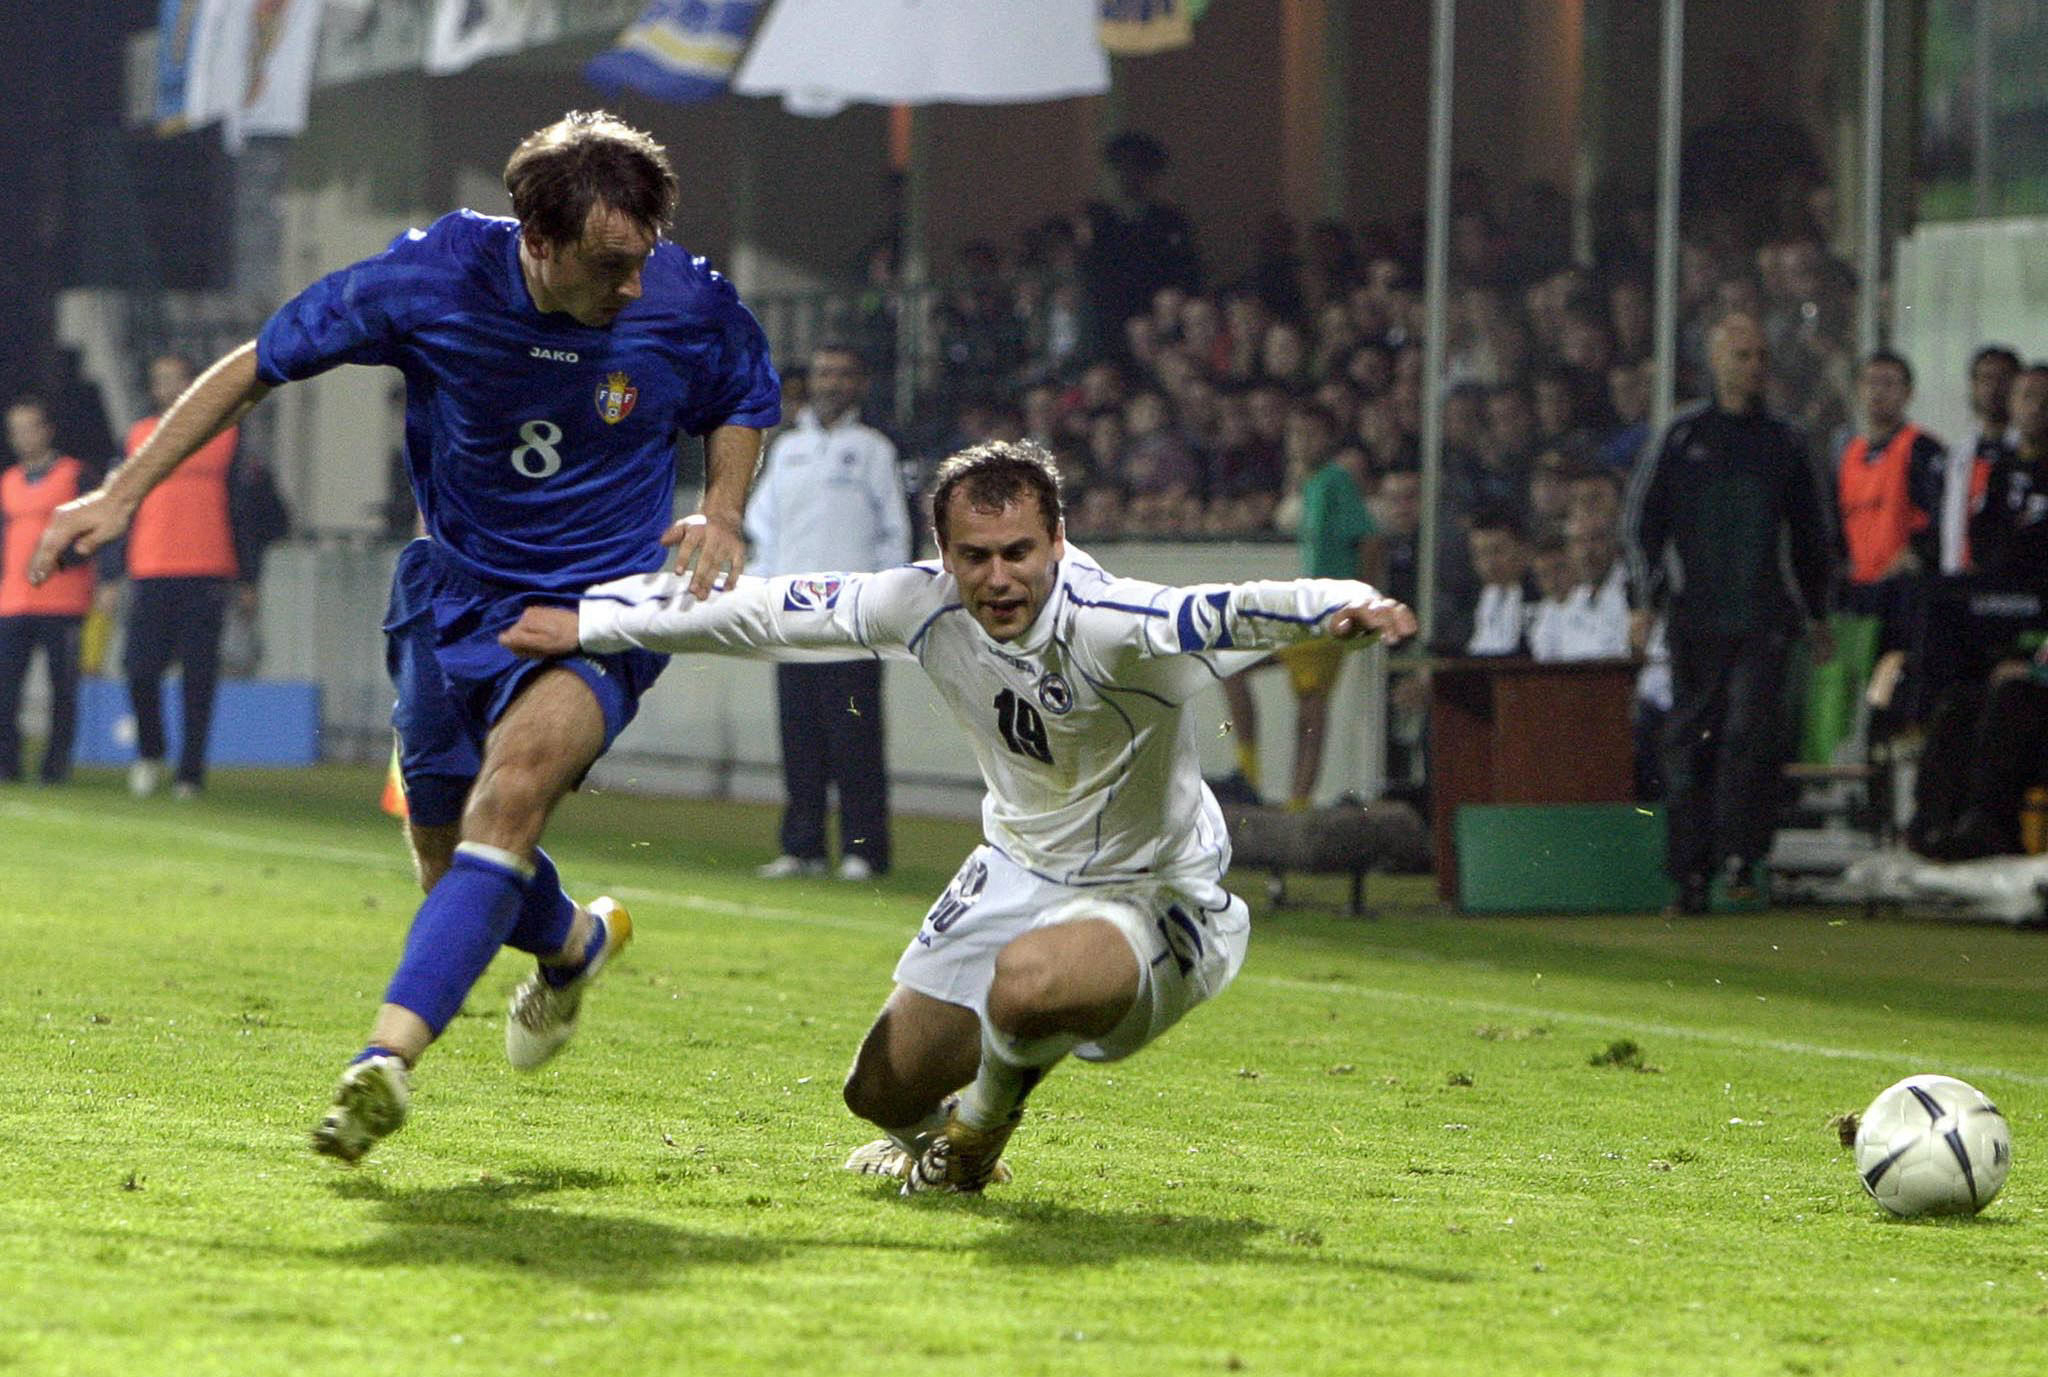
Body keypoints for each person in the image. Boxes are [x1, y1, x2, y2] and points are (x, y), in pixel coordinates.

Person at [29, 111, 780, 1163]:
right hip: (454, 598)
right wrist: (121, 493)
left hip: (606, 609)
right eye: (609, 265)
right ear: (538, 241)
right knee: (451, 863)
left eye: (641, 259)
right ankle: (571, 942)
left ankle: (381, 1063)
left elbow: (741, 393)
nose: (631, 287)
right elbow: (257, 363)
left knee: (507, 800)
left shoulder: (680, 294)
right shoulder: (430, 278)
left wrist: (726, 507)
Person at [500, 441, 1417, 1193]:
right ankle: (940, 1128)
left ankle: (973, 1140)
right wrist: (591, 622)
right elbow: (765, 611)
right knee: (876, 1091)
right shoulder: (924, 605)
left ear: (1057, 540)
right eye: (974, 556)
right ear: (944, 555)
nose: (998, 576)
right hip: (1015, 869)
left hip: (1151, 893)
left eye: (1019, 551)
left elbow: (1220, 613)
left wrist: (1338, 604)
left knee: (1027, 984)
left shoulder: (1112, 621)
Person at [1625, 314, 1834, 914]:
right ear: (1715, 361)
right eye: (1742, 355)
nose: (1754, 367)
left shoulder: (1785, 443)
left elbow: (1811, 535)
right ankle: (1690, 874)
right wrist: (1645, 602)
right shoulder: (1683, 437)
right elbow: (1644, 525)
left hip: (1765, 618)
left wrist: (1818, 613)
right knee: (1690, 741)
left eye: (1761, 356)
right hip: (1696, 619)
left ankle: (1742, 858)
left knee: (1748, 735)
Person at [745, 343, 907, 881]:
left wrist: (880, 604)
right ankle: (804, 848)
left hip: (852, 622)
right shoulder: (787, 449)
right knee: (800, 740)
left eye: (842, 373)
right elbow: (761, 524)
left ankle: (864, 852)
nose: (831, 382)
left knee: (855, 742)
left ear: (859, 383)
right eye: (822, 373)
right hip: (793, 620)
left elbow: (894, 532)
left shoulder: (874, 450)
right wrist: (766, 592)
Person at [1219, 408, 1381, 808]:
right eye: (1295, 433)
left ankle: (1293, 799)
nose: (1301, 441)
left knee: (1309, 705)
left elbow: (1372, 541)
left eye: (1310, 433)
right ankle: (1257, 779)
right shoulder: (1312, 486)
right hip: (1306, 611)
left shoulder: (1336, 481)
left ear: (1327, 438)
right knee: (1233, 665)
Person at [119, 353, 241, 799]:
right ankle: (151, 752)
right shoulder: (137, 435)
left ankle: (190, 773)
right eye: (159, 379)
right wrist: (115, 571)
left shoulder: (225, 431)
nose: (165, 386)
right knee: (137, 668)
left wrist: (247, 575)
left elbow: (243, 504)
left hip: (207, 568)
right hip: (150, 567)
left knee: (198, 678)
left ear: (193, 383)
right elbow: (121, 501)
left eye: (174, 378)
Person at [0, 395, 96, 784]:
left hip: (63, 600)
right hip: (13, 600)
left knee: (63, 691)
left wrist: (65, 561)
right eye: (16, 430)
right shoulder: (7, 482)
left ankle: (55, 768)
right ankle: (7, 763)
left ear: (47, 430)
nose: (23, 437)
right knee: (6, 689)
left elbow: (93, 532)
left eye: (30, 427)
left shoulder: (75, 475)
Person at [1835, 351, 1945, 645]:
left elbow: (1938, 520)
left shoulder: (1922, 449)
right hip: (1857, 596)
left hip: (1901, 595)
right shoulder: (1849, 454)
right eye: (1870, 382)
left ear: (1907, 392)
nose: (1877, 392)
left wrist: (1911, 559)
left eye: (1888, 383)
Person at [1938, 345, 2018, 575]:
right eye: (1985, 379)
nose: (1993, 388)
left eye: (2003, 379)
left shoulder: (2029, 453)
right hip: (1959, 579)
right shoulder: (1957, 456)